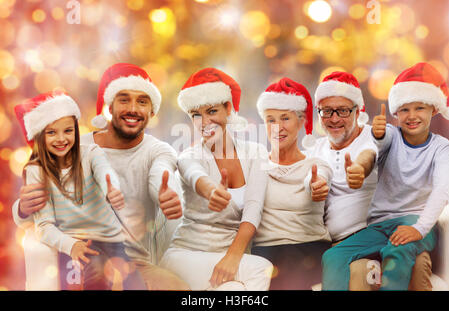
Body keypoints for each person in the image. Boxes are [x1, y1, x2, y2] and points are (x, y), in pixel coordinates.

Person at [12, 63, 189, 290]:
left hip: (133, 259)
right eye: (124, 99)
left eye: (142, 101)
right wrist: (23, 207)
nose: (133, 108)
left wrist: (164, 192)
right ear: (109, 105)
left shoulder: (158, 151)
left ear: (152, 110)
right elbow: (31, 213)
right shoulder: (72, 145)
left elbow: (160, 173)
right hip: (83, 249)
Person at [321, 62, 449, 290]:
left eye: (419, 108)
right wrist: (360, 169)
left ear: (434, 109)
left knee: (396, 252)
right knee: (333, 257)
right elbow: (372, 151)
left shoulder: (442, 149)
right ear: (396, 113)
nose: (411, 116)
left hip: (418, 223)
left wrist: (419, 229)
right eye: (404, 109)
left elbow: (442, 191)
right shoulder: (390, 134)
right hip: (380, 225)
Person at [14, 91, 145, 290]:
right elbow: (44, 226)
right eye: (51, 132)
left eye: (68, 130)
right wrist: (71, 246)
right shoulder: (36, 171)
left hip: (112, 238)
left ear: (76, 129)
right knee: (95, 274)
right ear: (39, 136)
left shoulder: (91, 153)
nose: (61, 139)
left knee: (137, 282)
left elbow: (104, 172)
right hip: (74, 241)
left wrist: (112, 188)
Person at [159, 68, 273, 290]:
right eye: (196, 115)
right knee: (261, 268)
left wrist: (232, 257)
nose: (205, 122)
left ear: (228, 108)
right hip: (186, 256)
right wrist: (212, 190)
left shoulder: (256, 153)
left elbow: (253, 209)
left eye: (212, 111)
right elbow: (196, 177)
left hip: (227, 259)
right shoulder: (188, 157)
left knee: (235, 290)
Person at [250, 77, 333, 289]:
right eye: (270, 120)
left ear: (301, 120)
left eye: (285, 118)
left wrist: (315, 186)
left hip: (309, 247)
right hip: (266, 250)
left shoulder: (316, 165)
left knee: (289, 261)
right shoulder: (255, 166)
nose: (277, 127)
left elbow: (316, 180)